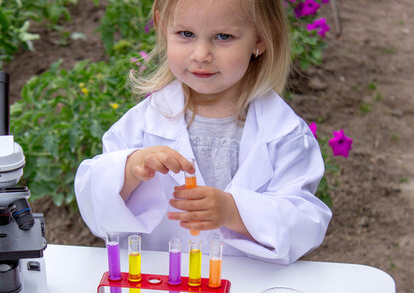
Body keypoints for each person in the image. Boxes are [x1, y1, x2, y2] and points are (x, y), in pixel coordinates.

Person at [74, 0, 332, 265]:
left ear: (261, 39)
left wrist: (235, 212)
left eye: (223, 37)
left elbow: (305, 223)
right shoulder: (142, 124)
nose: (201, 54)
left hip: (248, 287)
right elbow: (96, 206)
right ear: (163, 27)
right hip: (161, 286)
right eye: (186, 34)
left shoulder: (284, 133)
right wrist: (130, 169)